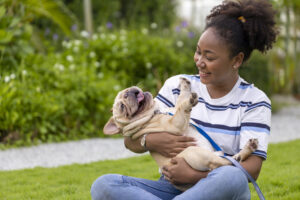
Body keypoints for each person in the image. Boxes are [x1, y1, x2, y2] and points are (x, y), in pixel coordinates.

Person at [91, 0, 279, 199]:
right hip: (173, 188)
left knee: (232, 176)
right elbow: (131, 141)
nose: (200, 61)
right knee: (104, 185)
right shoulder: (177, 85)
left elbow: (251, 169)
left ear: (237, 60)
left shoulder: (254, 101)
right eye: (198, 52)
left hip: (218, 187)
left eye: (210, 57)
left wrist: (195, 175)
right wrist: (151, 141)